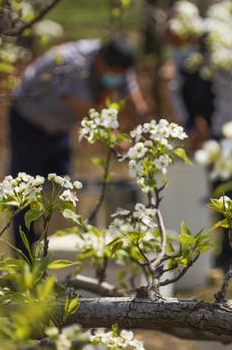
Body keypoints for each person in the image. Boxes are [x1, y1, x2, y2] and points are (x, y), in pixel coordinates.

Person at [9, 36, 147, 255]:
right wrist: (116, 139)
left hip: (59, 129)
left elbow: (136, 103)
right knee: (24, 192)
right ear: (101, 61)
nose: (116, 76)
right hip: (29, 121)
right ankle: (25, 259)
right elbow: (86, 111)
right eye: (113, 70)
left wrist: (146, 135)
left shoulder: (119, 64)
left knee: (62, 192)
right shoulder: (73, 64)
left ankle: (55, 255)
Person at [165, 31, 232, 272]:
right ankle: (223, 249)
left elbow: (230, 99)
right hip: (215, 122)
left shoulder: (222, 56)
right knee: (220, 187)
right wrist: (189, 127)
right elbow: (177, 90)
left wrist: (216, 137)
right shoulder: (183, 54)